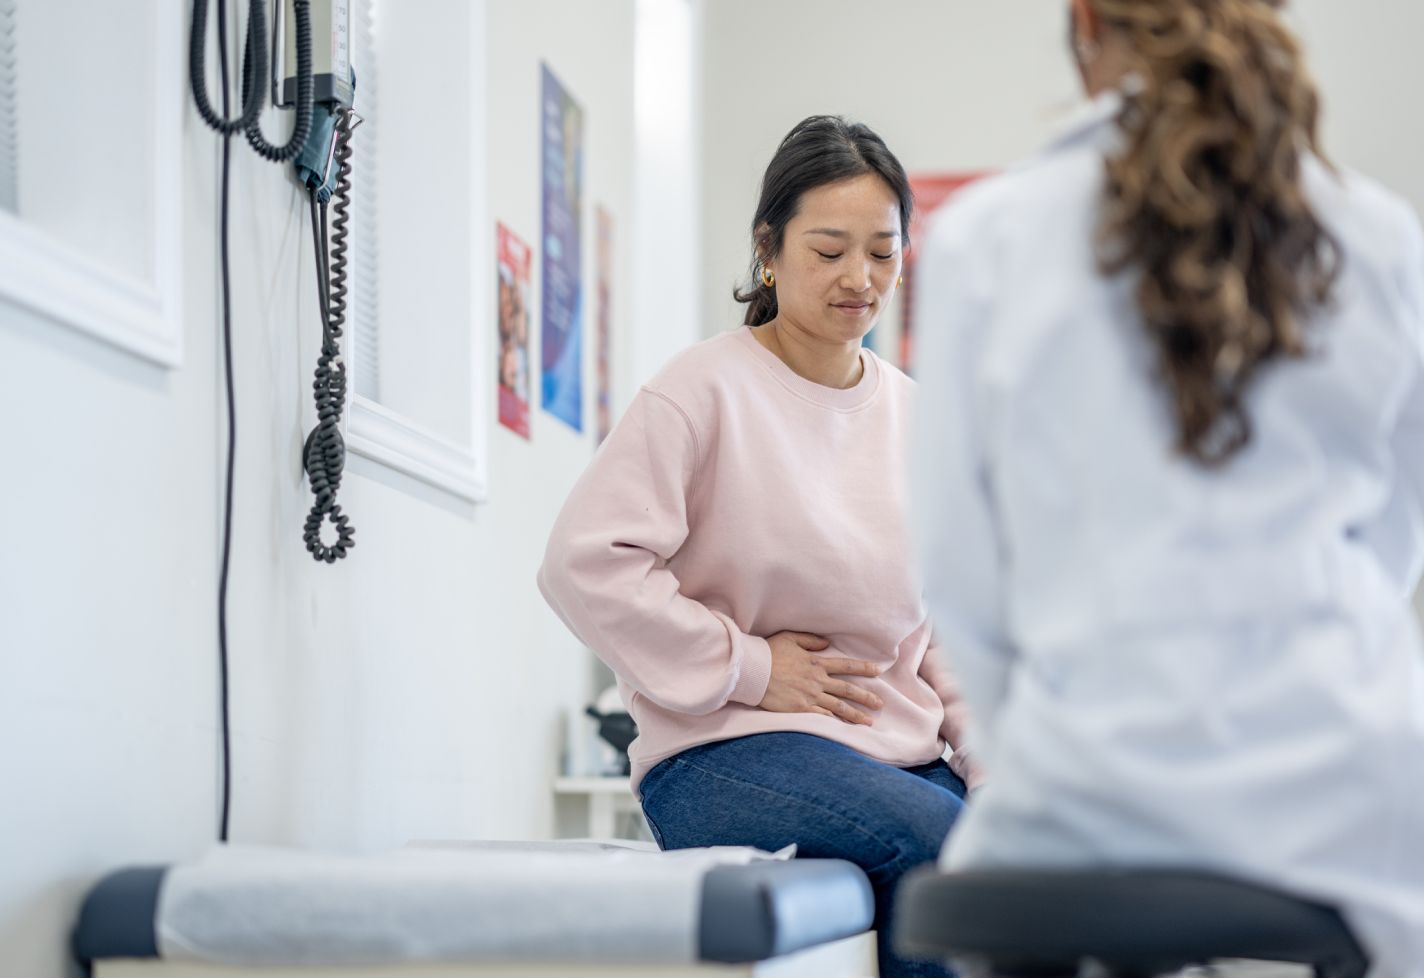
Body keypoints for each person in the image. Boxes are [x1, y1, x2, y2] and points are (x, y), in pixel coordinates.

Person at [910, 1, 1424, 974]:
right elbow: (1396, 535)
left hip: (1078, 791)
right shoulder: (1375, 236)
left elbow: (960, 576)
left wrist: (1070, 746)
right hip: (1348, 793)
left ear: (1084, 22)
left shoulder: (986, 239)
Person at [539, 116, 975, 978]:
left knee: (1025, 862)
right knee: (947, 852)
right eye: (829, 250)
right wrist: (749, 666)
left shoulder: (923, 422)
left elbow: (950, 627)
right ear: (768, 251)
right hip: (724, 756)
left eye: (883, 253)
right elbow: (582, 566)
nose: (860, 278)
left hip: (902, 757)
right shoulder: (701, 391)